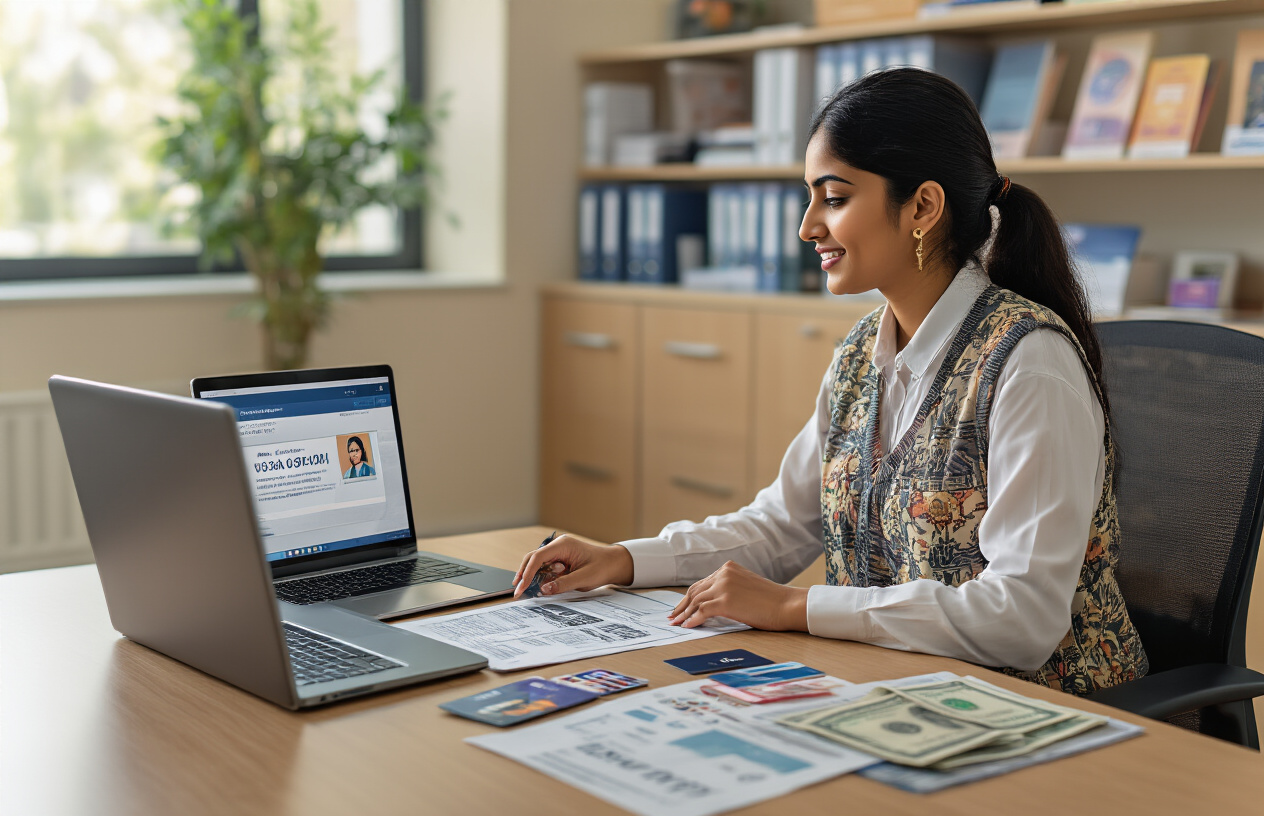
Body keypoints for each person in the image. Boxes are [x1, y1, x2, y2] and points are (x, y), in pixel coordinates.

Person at [516, 68, 1148, 696]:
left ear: (923, 207)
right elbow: (782, 525)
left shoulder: (1029, 363)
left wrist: (796, 608)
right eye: (810, 197)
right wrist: (624, 560)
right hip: (898, 691)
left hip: (1055, 717)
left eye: (835, 198)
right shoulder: (860, 354)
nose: (807, 226)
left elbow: (1024, 619)